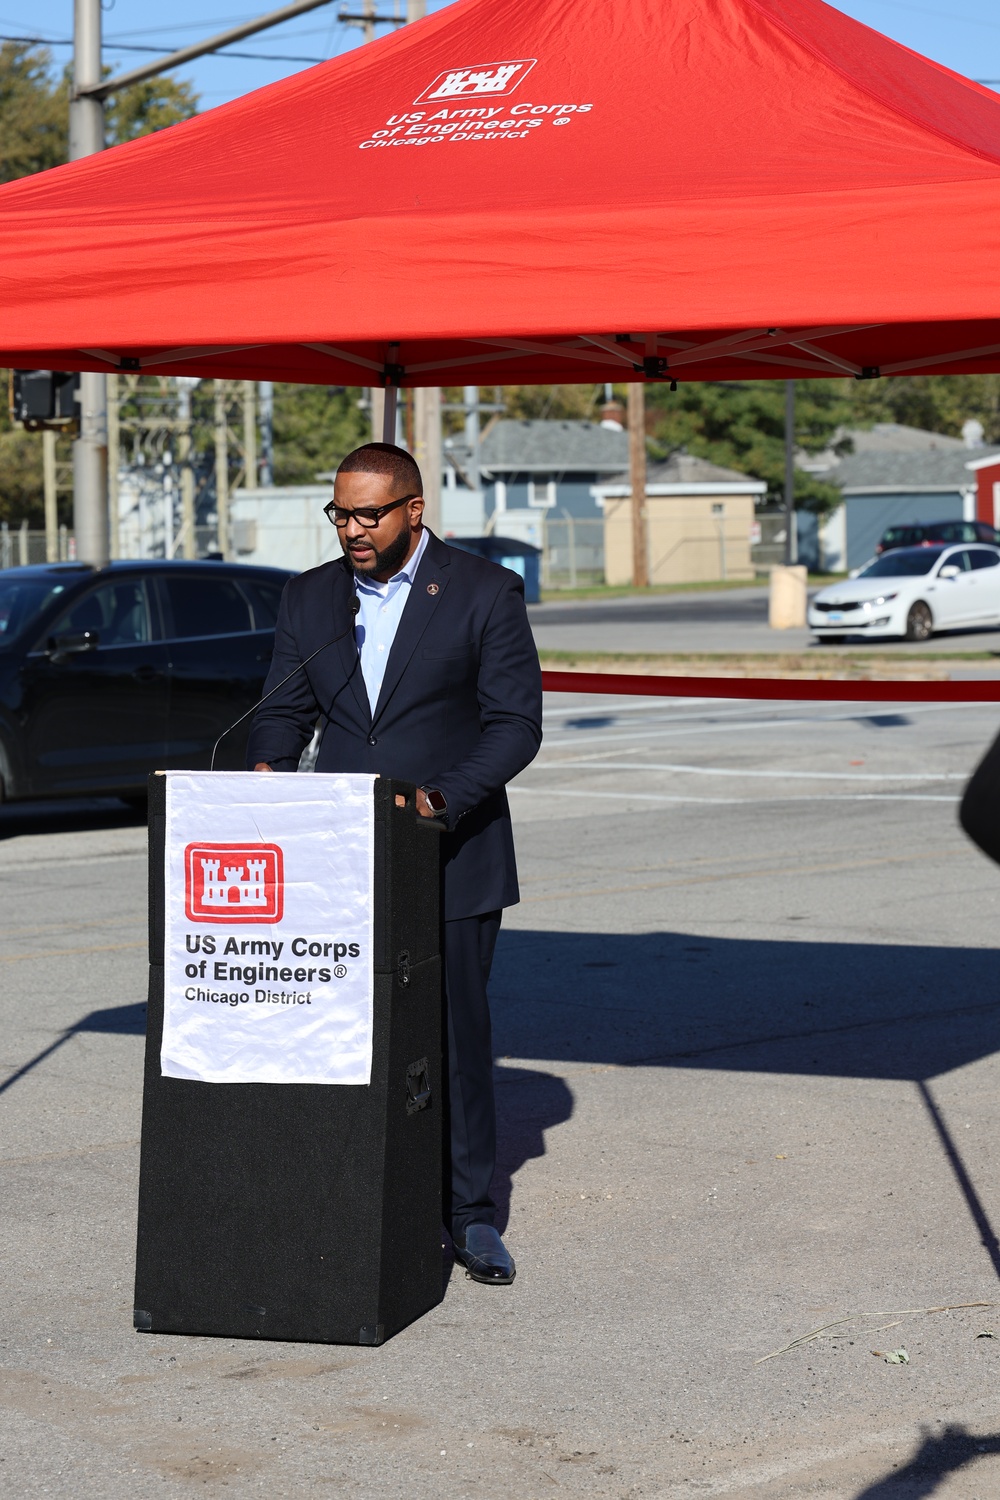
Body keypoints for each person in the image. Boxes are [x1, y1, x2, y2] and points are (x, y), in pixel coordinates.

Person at [246, 441, 542, 1285]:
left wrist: (438, 800)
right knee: (345, 1035)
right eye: (340, 513)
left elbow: (515, 725)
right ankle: (354, 1199)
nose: (352, 530)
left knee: (453, 1038)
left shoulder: (484, 591)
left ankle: (472, 1214)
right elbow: (285, 708)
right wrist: (268, 766)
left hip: (450, 851)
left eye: (369, 513)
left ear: (415, 509)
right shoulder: (310, 597)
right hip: (337, 854)